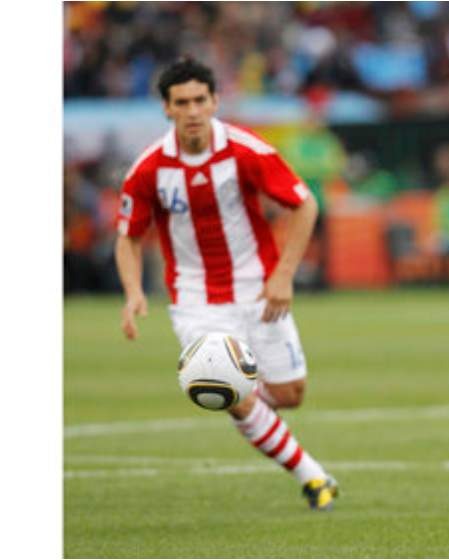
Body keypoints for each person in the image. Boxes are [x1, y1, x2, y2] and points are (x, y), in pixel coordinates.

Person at [114, 57, 338, 511]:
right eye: (182, 103)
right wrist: (133, 291)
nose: (192, 111)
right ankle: (313, 477)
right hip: (196, 298)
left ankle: (244, 403)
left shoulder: (245, 150)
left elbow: (305, 204)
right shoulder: (149, 168)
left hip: (258, 288)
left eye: (200, 100)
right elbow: (128, 236)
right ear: (167, 108)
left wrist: (282, 276)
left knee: (290, 395)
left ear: (215, 101)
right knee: (230, 389)